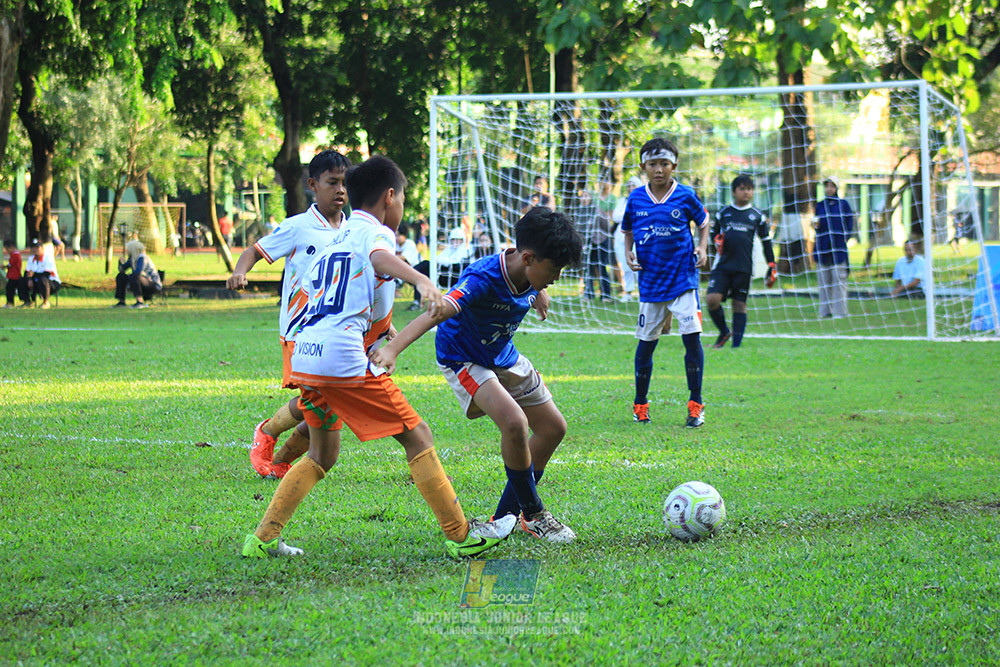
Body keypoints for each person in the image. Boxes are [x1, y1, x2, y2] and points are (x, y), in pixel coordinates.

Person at [242, 155, 515, 560]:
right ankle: (462, 537)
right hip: (341, 361)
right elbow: (378, 260)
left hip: (307, 354)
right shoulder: (374, 234)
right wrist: (420, 279)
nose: (402, 206)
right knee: (418, 435)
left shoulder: (338, 235)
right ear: (390, 196)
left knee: (322, 453)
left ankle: (262, 539)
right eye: (402, 197)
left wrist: (380, 329)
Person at [371, 207, 583, 543]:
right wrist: (393, 349)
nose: (557, 277)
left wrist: (538, 289)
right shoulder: (483, 278)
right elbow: (439, 311)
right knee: (514, 423)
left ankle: (505, 517)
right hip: (464, 358)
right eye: (554, 270)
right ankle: (535, 512)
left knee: (553, 428)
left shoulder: (530, 270)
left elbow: (533, 277)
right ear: (528, 258)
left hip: (502, 353)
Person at [226, 150, 351, 480]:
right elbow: (255, 251)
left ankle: (279, 462)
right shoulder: (297, 228)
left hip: (338, 330)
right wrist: (240, 272)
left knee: (330, 405)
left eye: (344, 183)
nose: (340, 190)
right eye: (332, 182)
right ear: (313, 185)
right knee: (318, 399)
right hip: (300, 329)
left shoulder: (353, 233)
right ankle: (267, 431)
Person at [623, 137, 710, 427]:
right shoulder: (635, 198)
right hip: (651, 283)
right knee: (646, 345)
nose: (658, 169)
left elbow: (704, 222)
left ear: (674, 165)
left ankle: (696, 405)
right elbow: (627, 229)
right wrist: (628, 252)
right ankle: (640, 405)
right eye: (652, 164)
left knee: (692, 339)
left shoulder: (685, 195)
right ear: (643, 166)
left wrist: (702, 247)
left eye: (664, 163)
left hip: (683, 281)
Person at [705, 175, 777, 349]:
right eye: (742, 189)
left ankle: (736, 346)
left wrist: (772, 266)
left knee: (739, 304)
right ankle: (724, 331)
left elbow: (766, 242)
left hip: (744, 267)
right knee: (711, 299)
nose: (746, 192)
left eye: (749, 189)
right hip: (723, 266)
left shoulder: (757, 216)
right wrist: (717, 241)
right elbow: (714, 236)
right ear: (734, 191)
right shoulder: (724, 213)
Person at [813, 176, 854, 319]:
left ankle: (840, 311)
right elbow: (817, 224)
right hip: (822, 247)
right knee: (824, 281)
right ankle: (825, 311)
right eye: (827, 186)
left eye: (832, 186)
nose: (829, 189)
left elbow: (849, 225)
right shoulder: (820, 205)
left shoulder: (843, 205)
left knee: (839, 279)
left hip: (838, 248)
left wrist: (844, 239)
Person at [408, 227, 472, 310]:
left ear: (462, 240)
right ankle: (417, 300)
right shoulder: (448, 250)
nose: (455, 242)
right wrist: (444, 262)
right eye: (453, 239)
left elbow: (455, 262)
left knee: (426, 264)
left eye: (458, 239)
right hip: (440, 274)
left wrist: (445, 262)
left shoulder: (465, 250)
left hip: (453, 277)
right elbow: (438, 259)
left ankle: (408, 276)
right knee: (422, 272)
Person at [612, 175, 642, 301]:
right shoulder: (622, 201)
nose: (630, 188)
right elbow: (615, 216)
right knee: (625, 265)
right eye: (628, 185)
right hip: (620, 237)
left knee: (638, 264)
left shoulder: (642, 200)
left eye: (633, 185)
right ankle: (628, 291)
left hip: (637, 236)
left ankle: (643, 291)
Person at [583, 185, 614, 301]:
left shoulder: (597, 211)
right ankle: (589, 293)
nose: (584, 199)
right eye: (582, 197)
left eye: (586, 196)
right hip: (588, 243)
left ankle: (606, 295)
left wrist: (599, 235)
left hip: (601, 242)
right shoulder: (580, 212)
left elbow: (607, 226)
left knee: (601, 268)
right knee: (588, 268)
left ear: (591, 198)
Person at [114, 239, 163, 308]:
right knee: (120, 276)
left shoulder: (143, 258)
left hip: (152, 284)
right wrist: (120, 263)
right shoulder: (132, 258)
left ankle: (140, 301)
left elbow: (138, 271)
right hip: (140, 281)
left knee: (134, 276)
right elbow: (122, 270)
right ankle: (121, 301)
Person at [24, 240, 60, 309]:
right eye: (33, 248)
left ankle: (45, 302)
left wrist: (34, 275)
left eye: (37, 247)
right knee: (22, 280)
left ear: (42, 249)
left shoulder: (48, 258)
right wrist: (29, 279)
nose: (35, 249)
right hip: (36, 281)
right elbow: (27, 273)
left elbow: (47, 274)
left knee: (43, 280)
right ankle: (28, 301)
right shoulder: (31, 259)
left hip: (52, 282)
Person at [3, 239, 27, 307]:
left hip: (14, 275)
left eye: (7, 249)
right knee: (10, 289)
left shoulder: (15, 255)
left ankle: (10, 302)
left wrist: (3, 266)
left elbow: (10, 264)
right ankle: (10, 302)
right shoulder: (15, 255)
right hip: (13, 275)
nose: (7, 251)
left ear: (11, 247)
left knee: (9, 288)